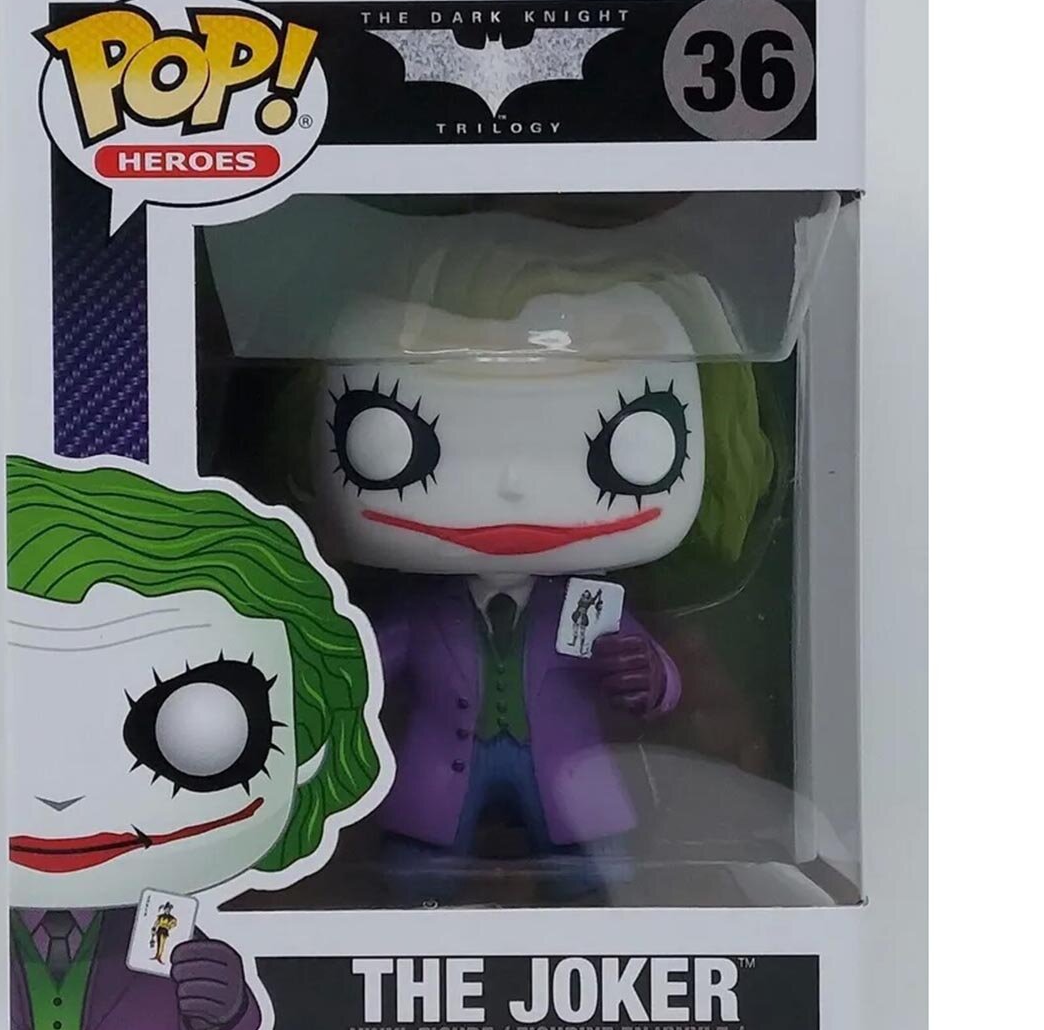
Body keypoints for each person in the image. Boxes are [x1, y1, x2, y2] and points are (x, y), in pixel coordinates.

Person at [305, 245, 772, 900]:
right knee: (416, 872)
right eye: (391, 443)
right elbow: (362, 668)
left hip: (569, 782)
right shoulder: (420, 612)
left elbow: (664, 680)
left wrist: (651, 676)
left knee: (597, 873)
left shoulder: (591, 606)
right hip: (437, 784)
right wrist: (328, 683)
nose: (513, 484)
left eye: (631, 443)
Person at [6, 455, 388, 1030]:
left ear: (309, 749)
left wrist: (223, 1005)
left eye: (201, 728)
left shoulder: (165, 924)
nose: (61, 797)